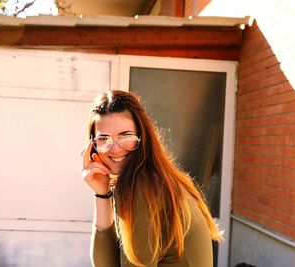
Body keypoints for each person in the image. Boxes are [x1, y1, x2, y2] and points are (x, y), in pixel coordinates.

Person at [81, 90, 222, 267]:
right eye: (103, 138)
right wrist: (102, 194)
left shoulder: (143, 186)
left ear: (143, 137)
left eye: (125, 136)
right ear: (93, 145)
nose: (115, 149)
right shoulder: (157, 178)